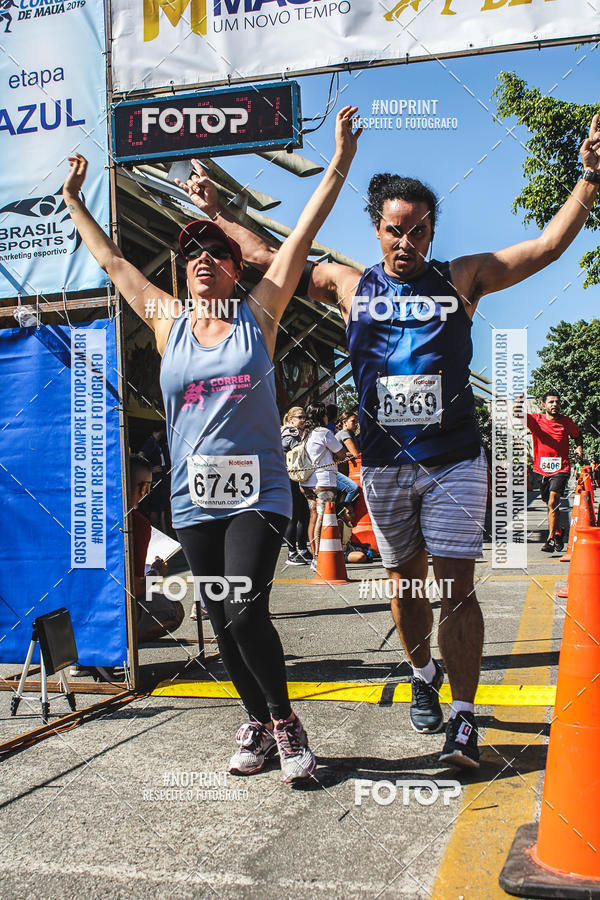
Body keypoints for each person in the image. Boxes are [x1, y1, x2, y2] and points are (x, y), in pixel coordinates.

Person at [199, 114, 600, 768]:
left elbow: (547, 247)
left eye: (418, 230)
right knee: (407, 587)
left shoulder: (461, 278)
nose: (406, 240)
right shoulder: (349, 284)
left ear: (431, 233)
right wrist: (218, 214)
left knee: (456, 587)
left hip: (454, 460)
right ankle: (421, 673)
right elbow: (272, 256)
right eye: (394, 229)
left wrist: (588, 178)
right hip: (385, 465)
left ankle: (464, 720)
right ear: (377, 231)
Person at [62, 106, 361, 782]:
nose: (203, 258)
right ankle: (257, 722)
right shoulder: (165, 319)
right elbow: (112, 259)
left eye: (216, 252)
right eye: (192, 251)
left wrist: (340, 159)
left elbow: (303, 231)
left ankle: (285, 722)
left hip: (259, 491)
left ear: (233, 268)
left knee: (246, 607)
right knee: (221, 622)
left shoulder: (260, 312)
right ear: (183, 268)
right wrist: (76, 200)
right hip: (196, 499)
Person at [129, 455, 185, 641]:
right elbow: (134, 589)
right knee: (174, 610)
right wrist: (156, 572)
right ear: (142, 488)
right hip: (114, 612)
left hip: (73, 610)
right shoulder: (137, 524)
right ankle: (118, 644)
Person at [522, 391, 582, 553]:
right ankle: (558, 530)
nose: (555, 404)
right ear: (543, 404)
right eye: (551, 402)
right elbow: (518, 414)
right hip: (541, 469)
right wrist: (519, 403)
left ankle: (550, 539)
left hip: (561, 468)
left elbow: (577, 436)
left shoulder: (566, 422)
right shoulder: (536, 420)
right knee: (548, 503)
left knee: (553, 502)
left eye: (557, 402)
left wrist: (579, 447)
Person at [299, 401, 347, 567]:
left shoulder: (306, 434)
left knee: (313, 518)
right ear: (322, 416)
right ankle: (320, 558)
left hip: (307, 482)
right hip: (323, 482)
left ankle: (315, 556)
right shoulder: (324, 433)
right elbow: (341, 453)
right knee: (323, 518)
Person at [281, 406, 312, 566]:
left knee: (304, 516)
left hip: (297, 478)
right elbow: (301, 453)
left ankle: (303, 550)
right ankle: (292, 553)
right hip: (290, 479)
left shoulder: (297, 432)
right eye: (300, 417)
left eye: (304, 417)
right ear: (291, 419)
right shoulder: (290, 434)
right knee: (294, 517)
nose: (303, 420)